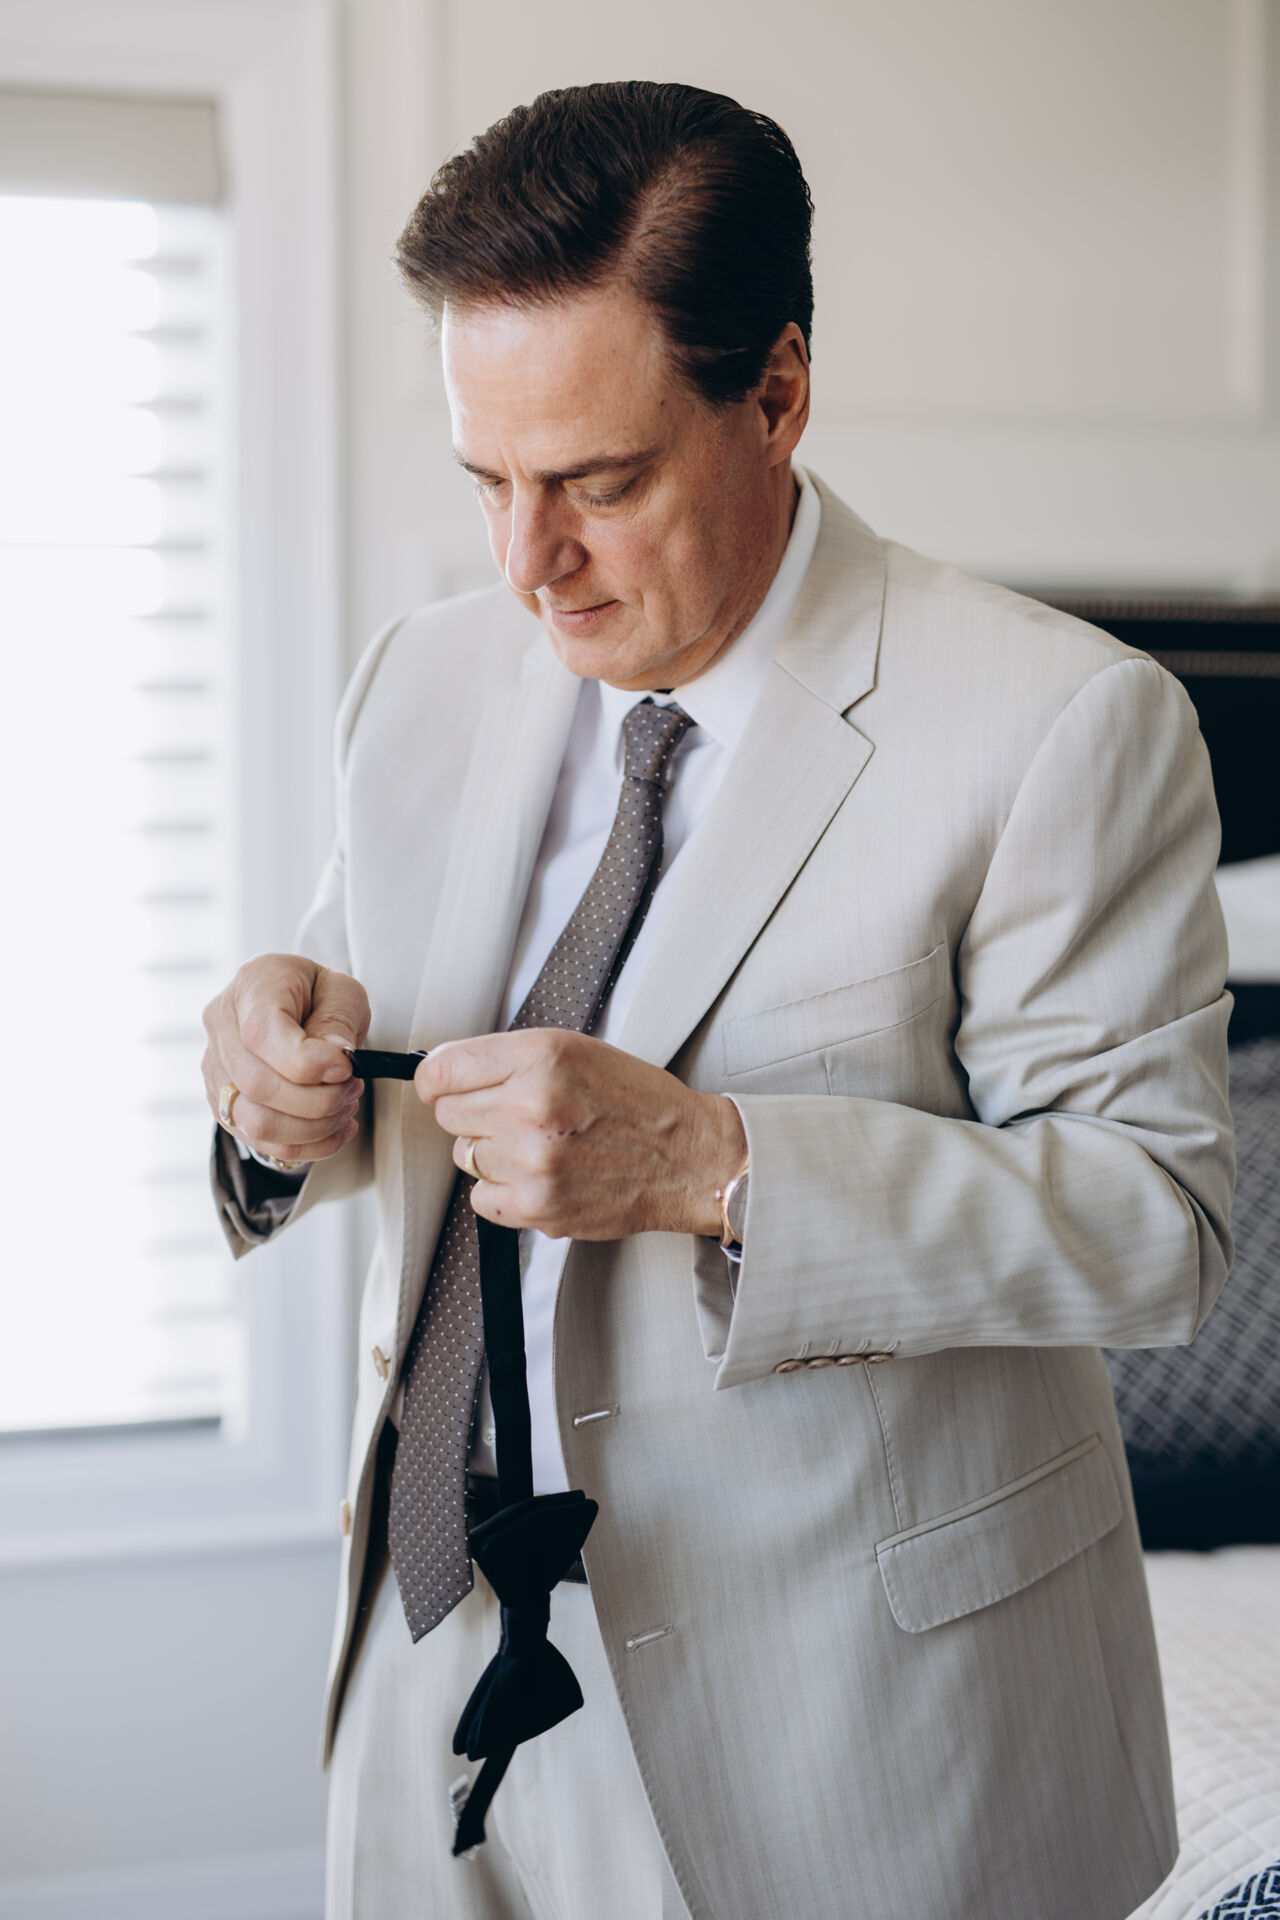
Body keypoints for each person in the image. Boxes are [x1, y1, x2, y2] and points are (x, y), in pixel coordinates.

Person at [203, 81, 1234, 1920]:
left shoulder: (1061, 723)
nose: (527, 563)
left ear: (776, 393)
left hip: (850, 1729)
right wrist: (272, 1103)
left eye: (597, 484)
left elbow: (1159, 1225)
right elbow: (366, 1066)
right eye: (488, 481)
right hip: (425, 1659)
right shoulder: (418, 680)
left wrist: (715, 1168)